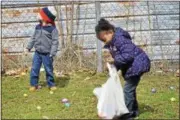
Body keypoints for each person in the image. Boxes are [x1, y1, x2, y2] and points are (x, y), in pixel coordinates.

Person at [95, 18, 151, 119]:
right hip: (132, 67)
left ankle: (127, 115)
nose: (104, 42)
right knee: (130, 90)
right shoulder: (112, 43)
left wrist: (115, 61)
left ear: (110, 32)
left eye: (104, 40)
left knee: (127, 90)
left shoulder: (120, 39)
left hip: (137, 65)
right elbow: (121, 59)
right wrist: (113, 68)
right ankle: (134, 111)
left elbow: (128, 55)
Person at [25, 6, 59, 91]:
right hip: (37, 53)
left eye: (41, 13)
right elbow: (33, 38)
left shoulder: (52, 29)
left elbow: (55, 42)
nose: (38, 15)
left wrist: (52, 53)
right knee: (34, 68)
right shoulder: (37, 27)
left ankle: (51, 84)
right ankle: (34, 84)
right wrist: (28, 48)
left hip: (48, 54)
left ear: (45, 17)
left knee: (48, 69)